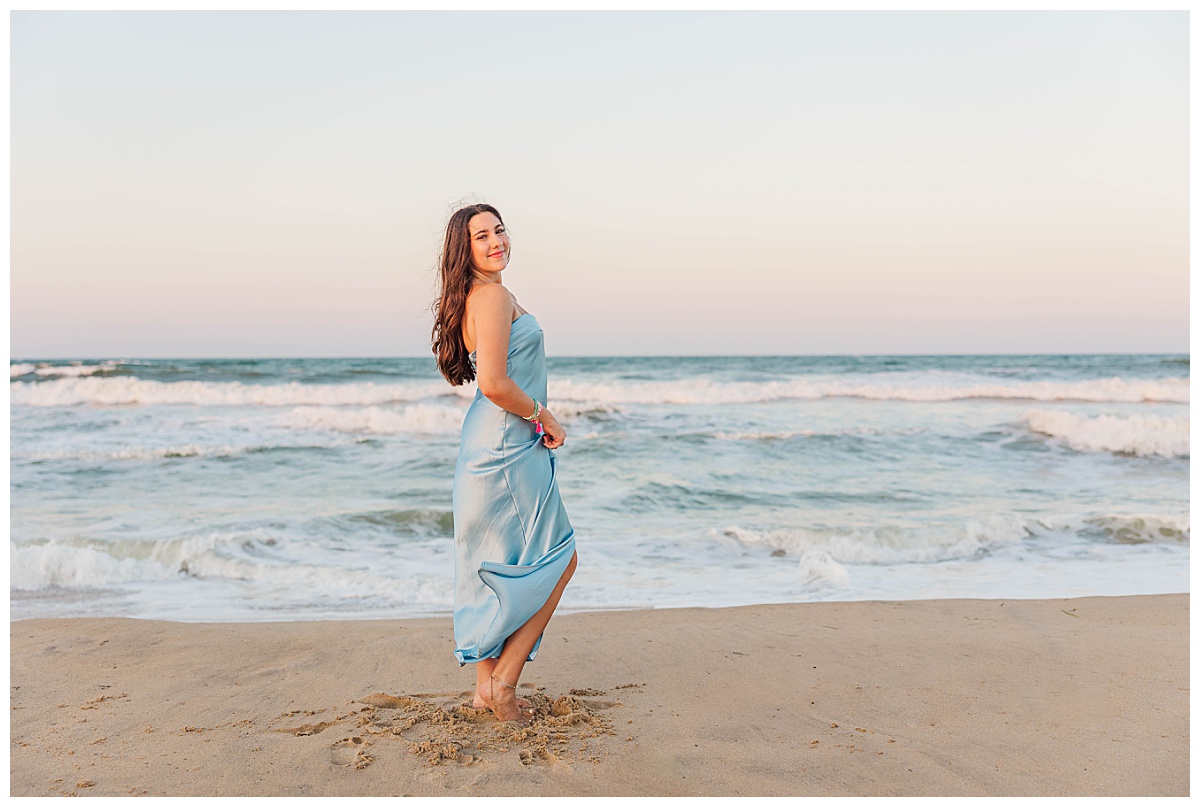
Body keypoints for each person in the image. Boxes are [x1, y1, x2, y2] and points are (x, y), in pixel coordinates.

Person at [430, 203, 579, 724]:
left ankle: (482, 689)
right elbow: (493, 384)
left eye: (498, 229)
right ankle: (504, 683)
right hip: (507, 448)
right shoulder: (490, 296)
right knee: (562, 557)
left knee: (495, 565)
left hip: (490, 448)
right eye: (481, 236)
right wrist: (545, 416)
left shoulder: (485, 295)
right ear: (463, 250)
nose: (496, 240)